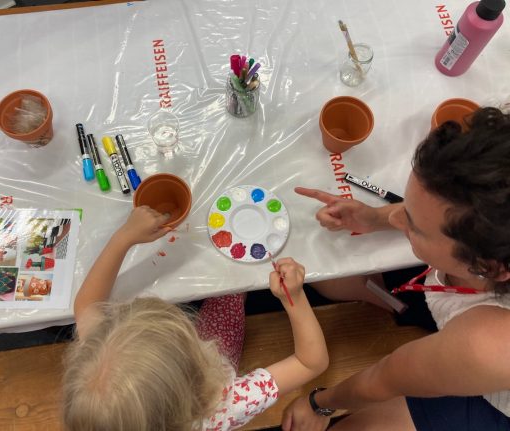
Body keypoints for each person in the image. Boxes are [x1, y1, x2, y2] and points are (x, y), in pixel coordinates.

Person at [283, 107, 510, 431]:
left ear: (486, 265)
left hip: (496, 404)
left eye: (414, 225)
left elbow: (384, 379)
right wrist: (372, 218)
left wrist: (318, 404)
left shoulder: (486, 345)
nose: (394, 217)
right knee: (333, 281)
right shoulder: (491, 232)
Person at [62, 205, 329, 431]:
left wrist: (125, 236)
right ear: (201, 382)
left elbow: (87, 304)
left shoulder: (100, 358)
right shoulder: (225, 404)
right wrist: (294, 298)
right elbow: (310, 362)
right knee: (231, 293)